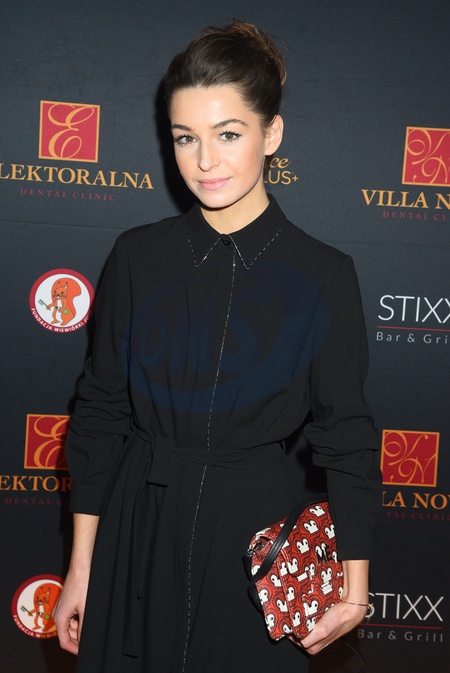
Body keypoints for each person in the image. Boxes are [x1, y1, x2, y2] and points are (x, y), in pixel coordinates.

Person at [53, 20, 381, 673]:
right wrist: (81, 568)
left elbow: (346, 436)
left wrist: (355, 585)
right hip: (137, 526)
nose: (204, 161)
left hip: (253, 538)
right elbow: (99, 414)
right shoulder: (137, 256)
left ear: (271, 134)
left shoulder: (324, 274)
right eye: (186, 137)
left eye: (228, 134)